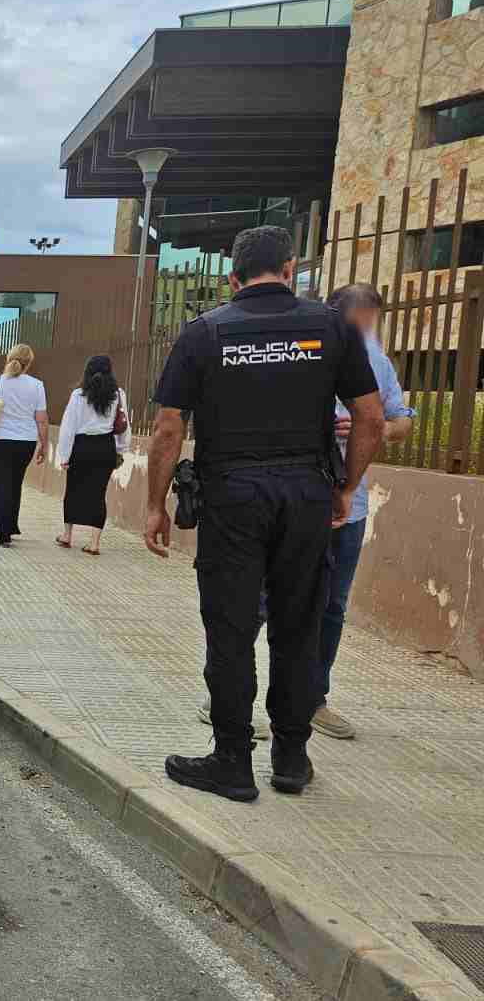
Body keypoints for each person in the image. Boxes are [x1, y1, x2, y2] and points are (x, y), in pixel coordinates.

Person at [144, 226, 383, 803]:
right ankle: (291, 757)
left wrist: (154, 504)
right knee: (299, 624)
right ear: (292, 266)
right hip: (306, 492)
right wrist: (346, 488)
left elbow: (169, 428)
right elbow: (371, 418)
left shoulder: (205, 333)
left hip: (232, 495)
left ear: (232, 275)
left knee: (230, 626)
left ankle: (231, 760)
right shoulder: (332, 328)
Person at [194, 283, 416, 742]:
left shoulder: (376, 360)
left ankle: (312, 700)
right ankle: (230, 699)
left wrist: (368, 435)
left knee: (329, 607)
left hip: (345, 505)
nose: (363, 328)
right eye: (357, 318)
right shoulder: (302, 343)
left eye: (370, 319)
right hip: (299, 496)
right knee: (253, 602)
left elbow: (397, 420)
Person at [0, 343, 48, 547]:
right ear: (29, 363)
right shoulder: (37, 385)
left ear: (8, 358)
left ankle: (3, 533)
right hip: (26, 442)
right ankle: (11, 525)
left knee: (0, 485)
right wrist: (44, 444)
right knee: (15, 483)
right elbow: (41, 418)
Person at [57, 354, 128, 556]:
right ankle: (95, 542)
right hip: (105, 447)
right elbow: (124, 426)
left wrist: (64, 455)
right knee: (98, 493)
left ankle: (67, 535)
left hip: (81, 447)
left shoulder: (78, 395)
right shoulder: (118, 394)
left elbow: (68, 427)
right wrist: (121, 450)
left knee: (73, 490)